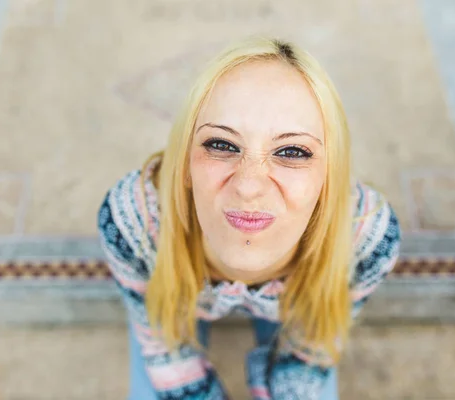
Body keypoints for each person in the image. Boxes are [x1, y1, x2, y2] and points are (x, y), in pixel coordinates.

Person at [97, 36, 401, 400]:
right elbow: (164, 345)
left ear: (328, 176)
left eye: (291, 151)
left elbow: (311, 351)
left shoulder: (366, 239)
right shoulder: (133, 221)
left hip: (298, 306)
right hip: (174, 300)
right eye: (222, 144)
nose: (248, 187)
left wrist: (284, 387)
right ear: (185, 164)